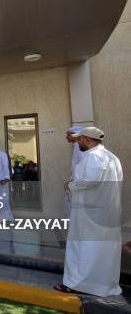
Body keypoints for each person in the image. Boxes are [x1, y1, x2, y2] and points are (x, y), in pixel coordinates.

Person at [55, 127, 123, 297]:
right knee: (103, 250)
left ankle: (77, 284)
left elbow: (90, 181)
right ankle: (102, 285)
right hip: (105, 213)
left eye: (79, 140)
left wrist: (70, 185)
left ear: (86, 139)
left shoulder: (94, 156)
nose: (77, 143)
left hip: (90, 214)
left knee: (83, 248)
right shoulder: (111, 157)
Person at [63, 126, 84, 218]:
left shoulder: (81, 149)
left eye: (68, 134)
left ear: (75, 135)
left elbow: (82, 169)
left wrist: (73, 184)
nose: (66, 137)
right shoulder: (77, 146)